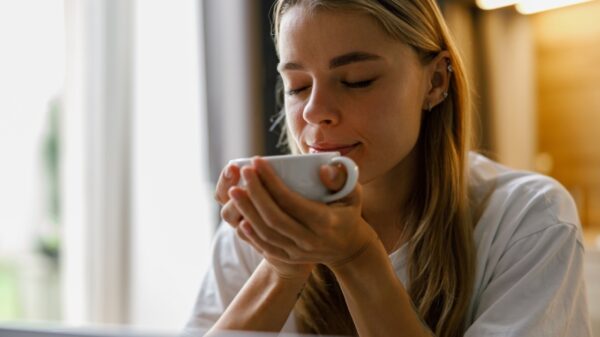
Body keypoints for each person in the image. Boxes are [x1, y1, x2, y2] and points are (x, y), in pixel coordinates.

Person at [185, 1, 592, 336]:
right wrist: (282, 264)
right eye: (298, 86)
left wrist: (358, 258)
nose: (314, 111)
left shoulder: (529, 220)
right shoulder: (264, 222)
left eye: (357, 80)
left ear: (435, 82)